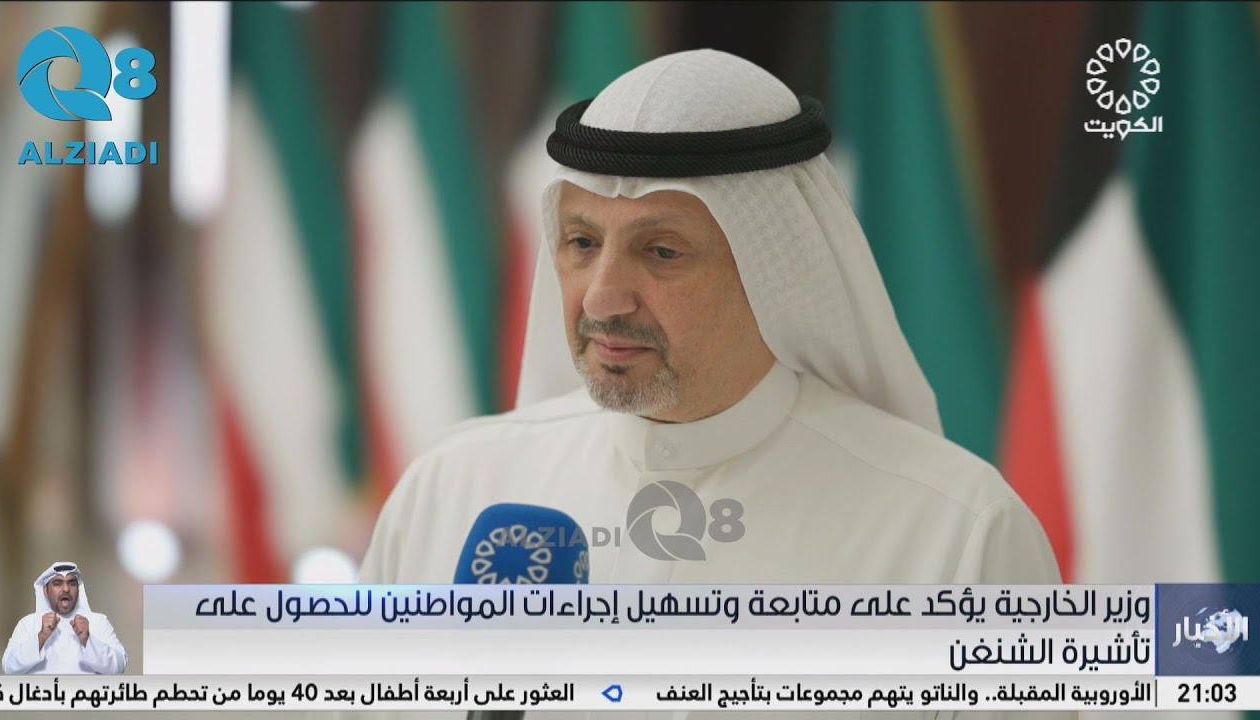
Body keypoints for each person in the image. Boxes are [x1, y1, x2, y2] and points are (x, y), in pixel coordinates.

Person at [358, 49, 1067, 719]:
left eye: (662, 251)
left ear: (775, 273)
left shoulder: (955, 537)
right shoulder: (450, 490)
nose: (602, 297)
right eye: (582, 243)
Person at [1, 561, 128, 675]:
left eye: (72, 584)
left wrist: (87, 639)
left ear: (78, 589)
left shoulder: (98, 622)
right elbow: (9, 668)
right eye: (57, 584)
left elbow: (119, 666)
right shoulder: (28, 624)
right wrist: (41, 636)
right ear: (45, 591)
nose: (66, 589)